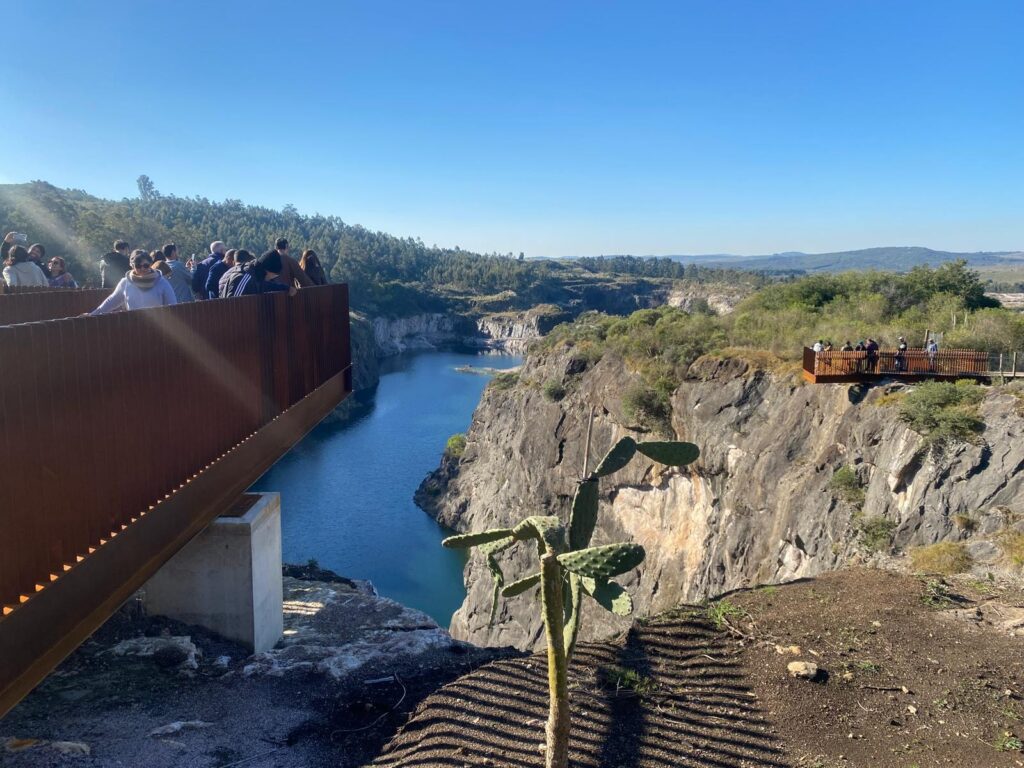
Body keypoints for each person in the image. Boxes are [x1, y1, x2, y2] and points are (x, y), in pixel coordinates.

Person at [91, 250, 177, 314]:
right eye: (138, 266)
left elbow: (173, 306)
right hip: (135, 327)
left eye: (146, 266)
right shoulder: (125, 283)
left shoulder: (161, 282)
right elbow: (111, 302)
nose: (142, 269)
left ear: (151, 264)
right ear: (132, 265)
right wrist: (93, 314)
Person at [221, 250, 296, 297]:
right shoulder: (244, 277)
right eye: (273, 276)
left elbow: (266, 285)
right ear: (267, 271)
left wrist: (286, 288)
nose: (272, 279)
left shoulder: (256, 275)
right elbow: (233, 302)